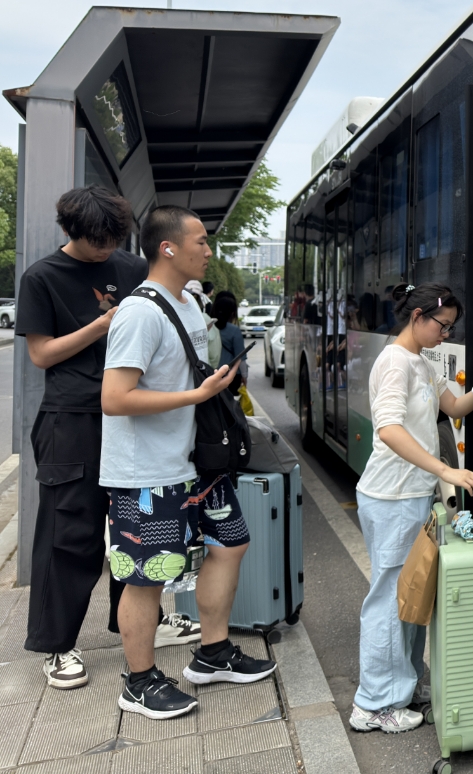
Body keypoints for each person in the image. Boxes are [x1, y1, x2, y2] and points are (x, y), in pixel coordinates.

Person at [16, 186, 201, 691]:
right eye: (95, 241)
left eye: (112, 241)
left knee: (136, 526)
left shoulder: (132, 267)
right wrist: (101, 326)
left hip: (130, 417)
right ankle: (56, 644)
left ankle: (141, 622)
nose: (104, 250)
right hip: (72, 419)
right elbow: (41, 354)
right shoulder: (41, 277)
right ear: (69, 230)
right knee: (69, 532)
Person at [100, 206, 275, 720]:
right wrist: (196, 394)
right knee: (147, 575)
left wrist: (211, 387)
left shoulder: (190, 304)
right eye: (200, 240)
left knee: (231, 542)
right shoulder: (140, 312)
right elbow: (114, 397)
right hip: (147, 472)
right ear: (168, 247)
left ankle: (212, 654)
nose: (208, 250)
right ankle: (138, 683)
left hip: (195, 462)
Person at [350, 282, 473, 734]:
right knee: (389, 600)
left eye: (451, 327)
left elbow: (454, 406)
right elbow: (389, 429)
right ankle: (373, 704)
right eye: (443, 325)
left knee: (412, 595)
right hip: (391, 497)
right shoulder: (395, 363)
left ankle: (403, 684)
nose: (446, 334)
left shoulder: (421, 360)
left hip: (411, 496)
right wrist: (446, 470)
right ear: (418, 316)